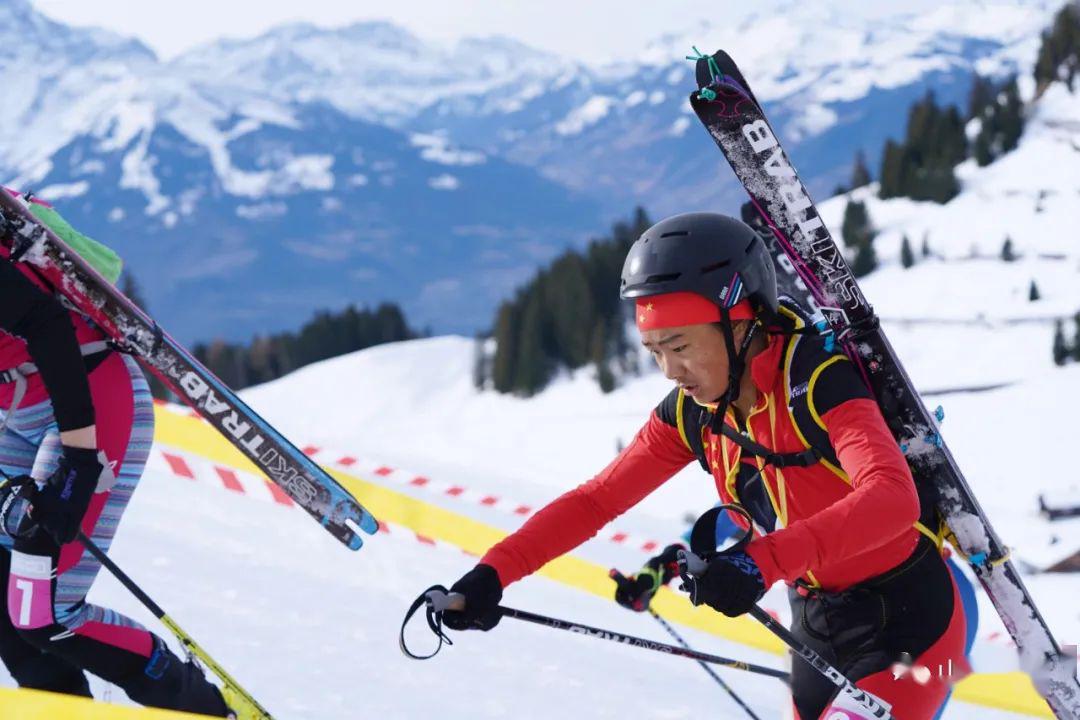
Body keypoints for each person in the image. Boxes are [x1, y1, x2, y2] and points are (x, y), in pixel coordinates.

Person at [438, 212, 968, 719]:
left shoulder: (819, 382)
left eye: (680, 345)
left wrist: (760, 561)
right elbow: (597, 500)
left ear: (741, 325)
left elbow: (894, 498)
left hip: (909, 622)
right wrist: (492, 574)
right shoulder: (694, 414)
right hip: (814, 628)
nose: (670, 370)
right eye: (653, 351)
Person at [0, 189, 233, 716]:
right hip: (18, 406)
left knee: (45, 612)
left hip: (89, 400)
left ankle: (200, 708)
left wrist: (81, 463)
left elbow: (45, 324)